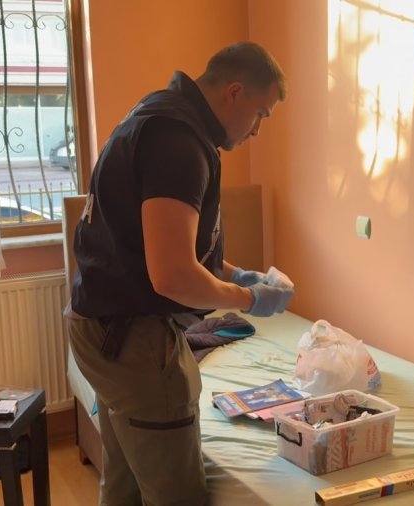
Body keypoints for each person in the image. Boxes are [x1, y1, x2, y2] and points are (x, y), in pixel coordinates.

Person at [65, 41, 293, 505]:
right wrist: (249, 299)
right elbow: (171, 276)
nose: (257, 130)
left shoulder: (155, 114)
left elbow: (164, 244)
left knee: (125, 486)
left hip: (99, 326)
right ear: (234, 92)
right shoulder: (180, 144)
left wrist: (238, 274)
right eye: (261, 114)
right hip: (134, 339)